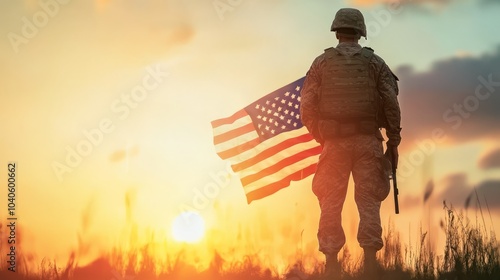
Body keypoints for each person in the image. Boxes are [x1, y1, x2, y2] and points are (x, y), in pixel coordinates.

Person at [299, 7, 402, 279]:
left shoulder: (321, 63)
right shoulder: (375, 62)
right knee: (368, 202)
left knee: (330, 202)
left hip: (334, 144)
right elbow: (391, 101)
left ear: (337, 30)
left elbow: (306, 107)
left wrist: (323, 135)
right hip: (368, 142)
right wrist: (394, 138)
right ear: (360, 31)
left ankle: (331, 265)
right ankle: (370, 266)